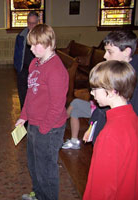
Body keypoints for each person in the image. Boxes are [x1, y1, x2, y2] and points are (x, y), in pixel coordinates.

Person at [15, 24, 69, 200]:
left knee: (46, 168)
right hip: (34, 123)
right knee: (34, 165)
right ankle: (38, 195)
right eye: (30, 45)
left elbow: (57, 105)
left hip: (50, 127)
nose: (31, 49)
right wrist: (24, 117)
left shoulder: (56, 70)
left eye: (35, 45)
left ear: (49, 43)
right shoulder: (35, 63)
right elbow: (31, 93)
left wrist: (44, 129)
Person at [62, 30, 138, 148]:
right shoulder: (111, 71)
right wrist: (92, 126)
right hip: (104, 128)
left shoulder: (132, 77)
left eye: (110, 51)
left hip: (120, 137)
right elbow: (99, 109)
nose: (105, 56)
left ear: (126, 51)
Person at [83, 60, 138, 200]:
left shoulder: (110, 133)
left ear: (112, 91)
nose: (92, 93)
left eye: (95, 89)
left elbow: (102, 187)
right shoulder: (132, 118)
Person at [13, 11, 39, 110]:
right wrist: (18, 68)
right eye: (29, 23)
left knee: (35, 96)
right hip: (23, 70)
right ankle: (25, 119)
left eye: (33, 23)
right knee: (23, 95)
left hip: (36, 71)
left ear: (38, 22)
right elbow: (16, 53)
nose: (31, 26)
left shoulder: (42, 36)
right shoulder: (21, 36)